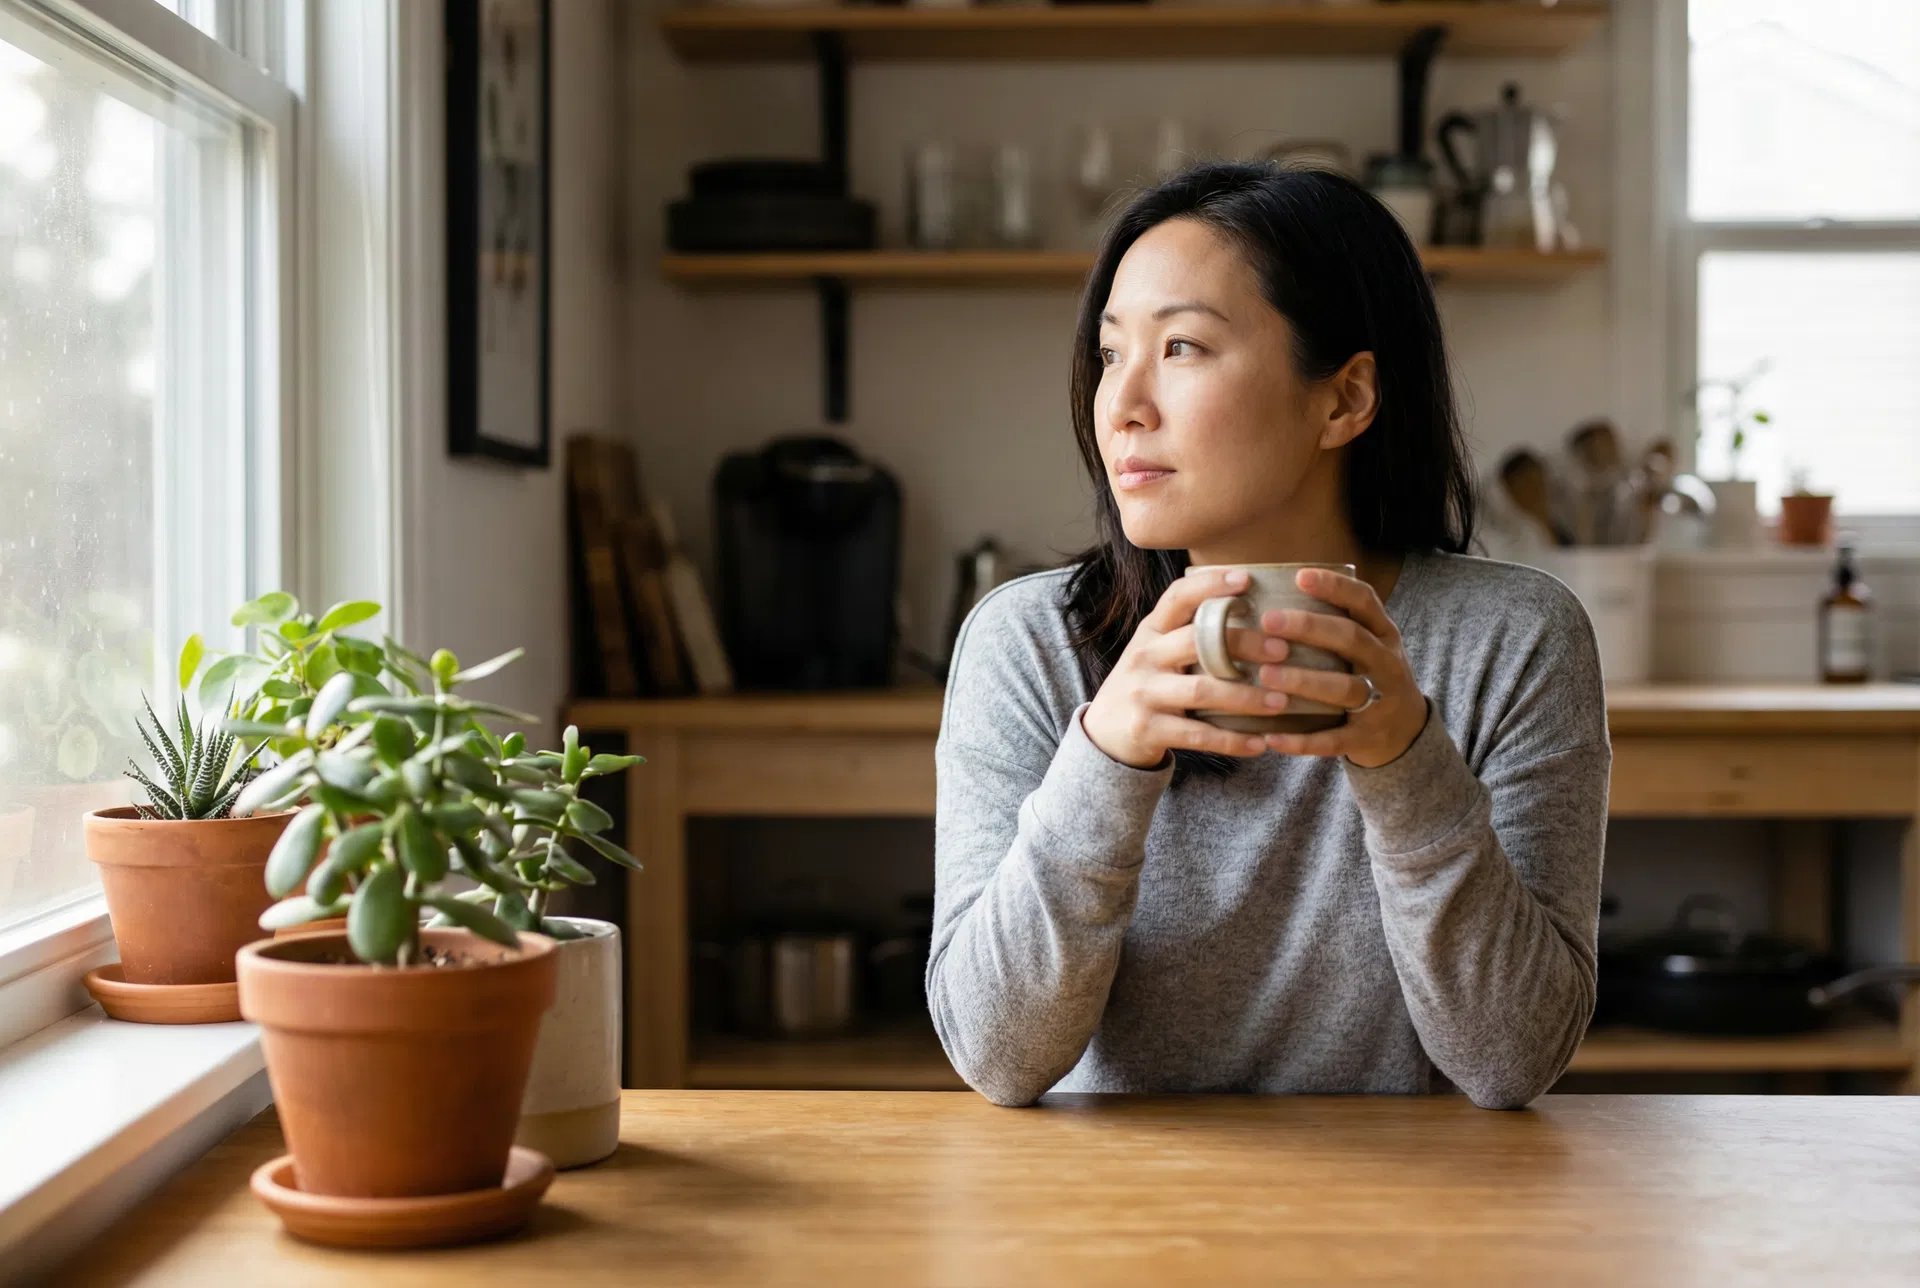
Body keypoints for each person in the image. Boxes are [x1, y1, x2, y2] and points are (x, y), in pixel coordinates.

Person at [927, 161, 1609, 1110]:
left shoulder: (1514, 641)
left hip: (1415, 1224)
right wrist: (1107, 755)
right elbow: (998, 1058)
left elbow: (1510, 1063)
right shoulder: (1031, 643)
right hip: (1103, 1229)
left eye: (1183, 350)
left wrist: (1404, 756)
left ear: (1344, 400)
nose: (1122, 404)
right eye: (1112, 351)